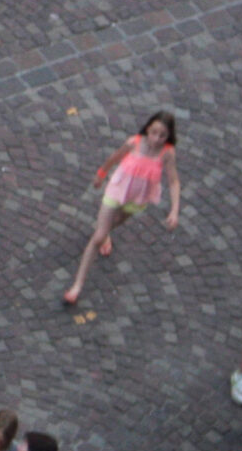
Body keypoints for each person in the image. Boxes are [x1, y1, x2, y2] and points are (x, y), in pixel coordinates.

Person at [62, 110, 181, 305]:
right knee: (99, 236)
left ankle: (106, 233)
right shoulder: (133, 142)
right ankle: (77, 285)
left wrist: (174, 210)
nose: (157, 139)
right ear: (147, 128)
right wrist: (101, 174)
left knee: (113, 224)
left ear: (169, 136)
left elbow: (174, 181)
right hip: (117, 191)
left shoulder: (167, 154)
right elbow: (114, 158)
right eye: (154, 133)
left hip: (137, 199)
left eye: (162, 135)